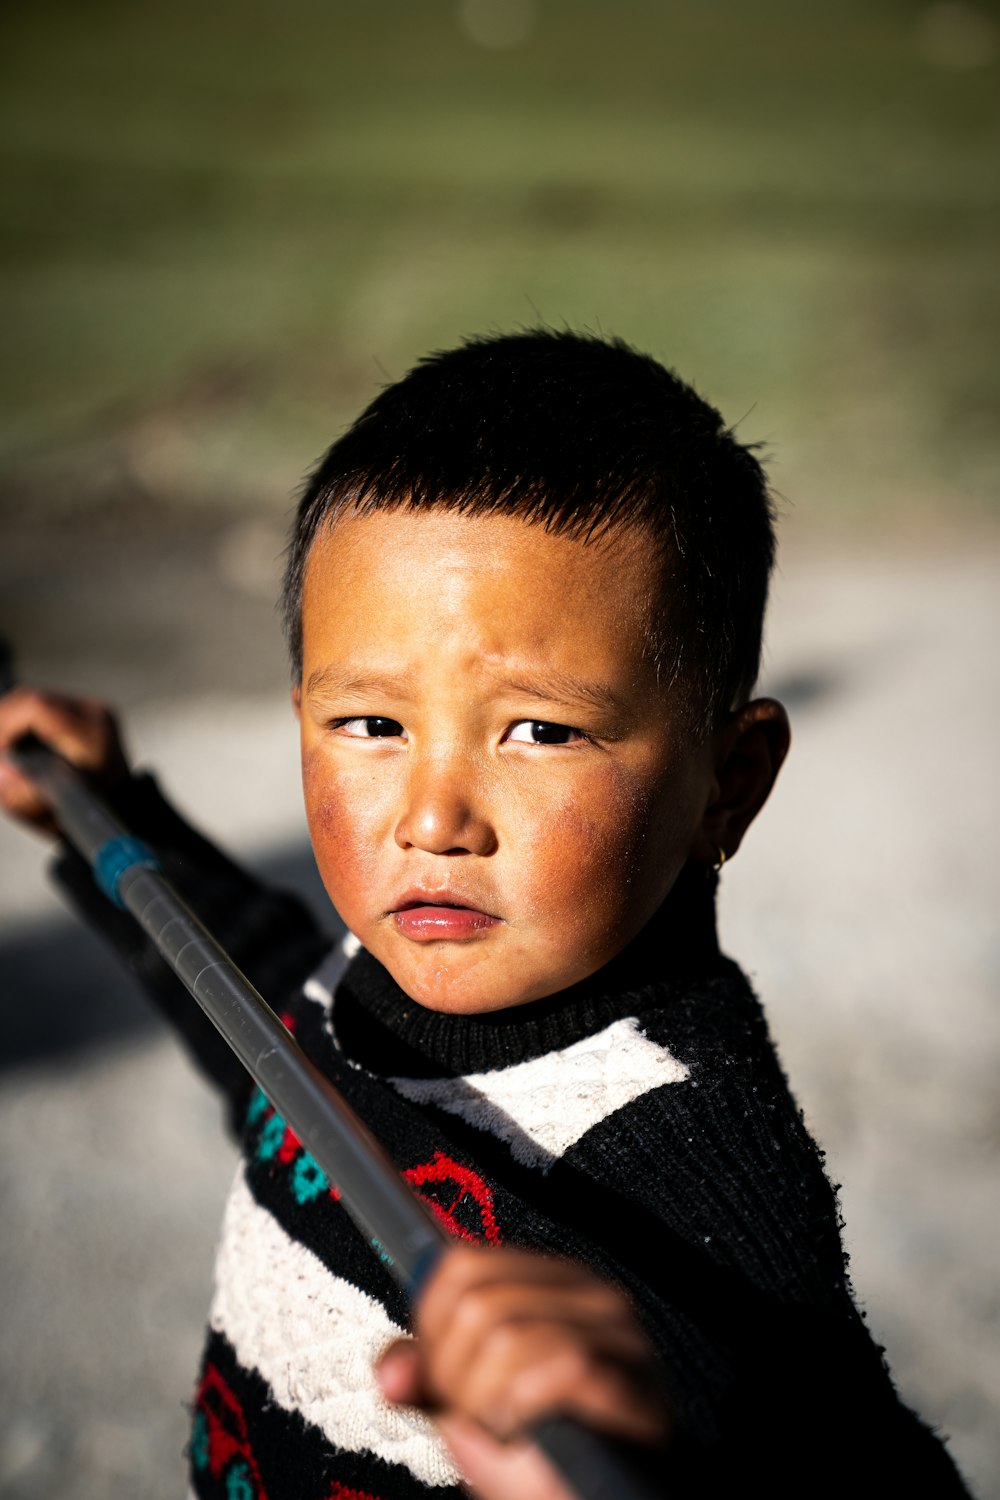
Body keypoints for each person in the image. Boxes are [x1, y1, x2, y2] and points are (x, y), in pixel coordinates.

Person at [0, 330, 971, 1499]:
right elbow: (267, 1026)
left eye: (541, 731)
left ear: (730, 782)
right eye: (369, 724)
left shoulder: (680, 1161)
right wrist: (109, 817)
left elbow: (845, 1457)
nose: (433, 817)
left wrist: (662, 1465)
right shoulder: (386, 968)